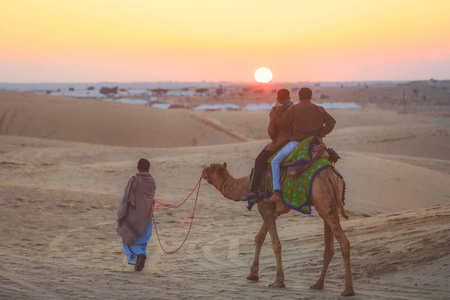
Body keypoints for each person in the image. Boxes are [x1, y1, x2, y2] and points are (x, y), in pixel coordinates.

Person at [268, 87, 336, 202]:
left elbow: (282, 123)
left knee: (275, 161)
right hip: (315, 143)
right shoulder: (319, 109)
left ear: (299, 97)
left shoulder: (294, 109)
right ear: (311, 97)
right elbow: (331, 122)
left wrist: (278, 110)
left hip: (297, 143)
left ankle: (277, 192)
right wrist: (320, 134)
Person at [241, 89, 293, 201]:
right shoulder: (295, 108)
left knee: (260, 160)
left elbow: (271, 132)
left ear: (277, 98)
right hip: (297, 141)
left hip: (281, 143)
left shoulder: (276, 110)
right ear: (289, 97)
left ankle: (253, 191)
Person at [117, 158, 156, 271]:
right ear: (149, 168)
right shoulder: (153, 180)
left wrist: (122, 213)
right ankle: (140, 260)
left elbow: (127, 197)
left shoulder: (134, 180)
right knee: (143, 239)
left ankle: (140, 255)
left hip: (134, 215)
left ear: (138, 168)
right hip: (147, 215)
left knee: (128, 237)